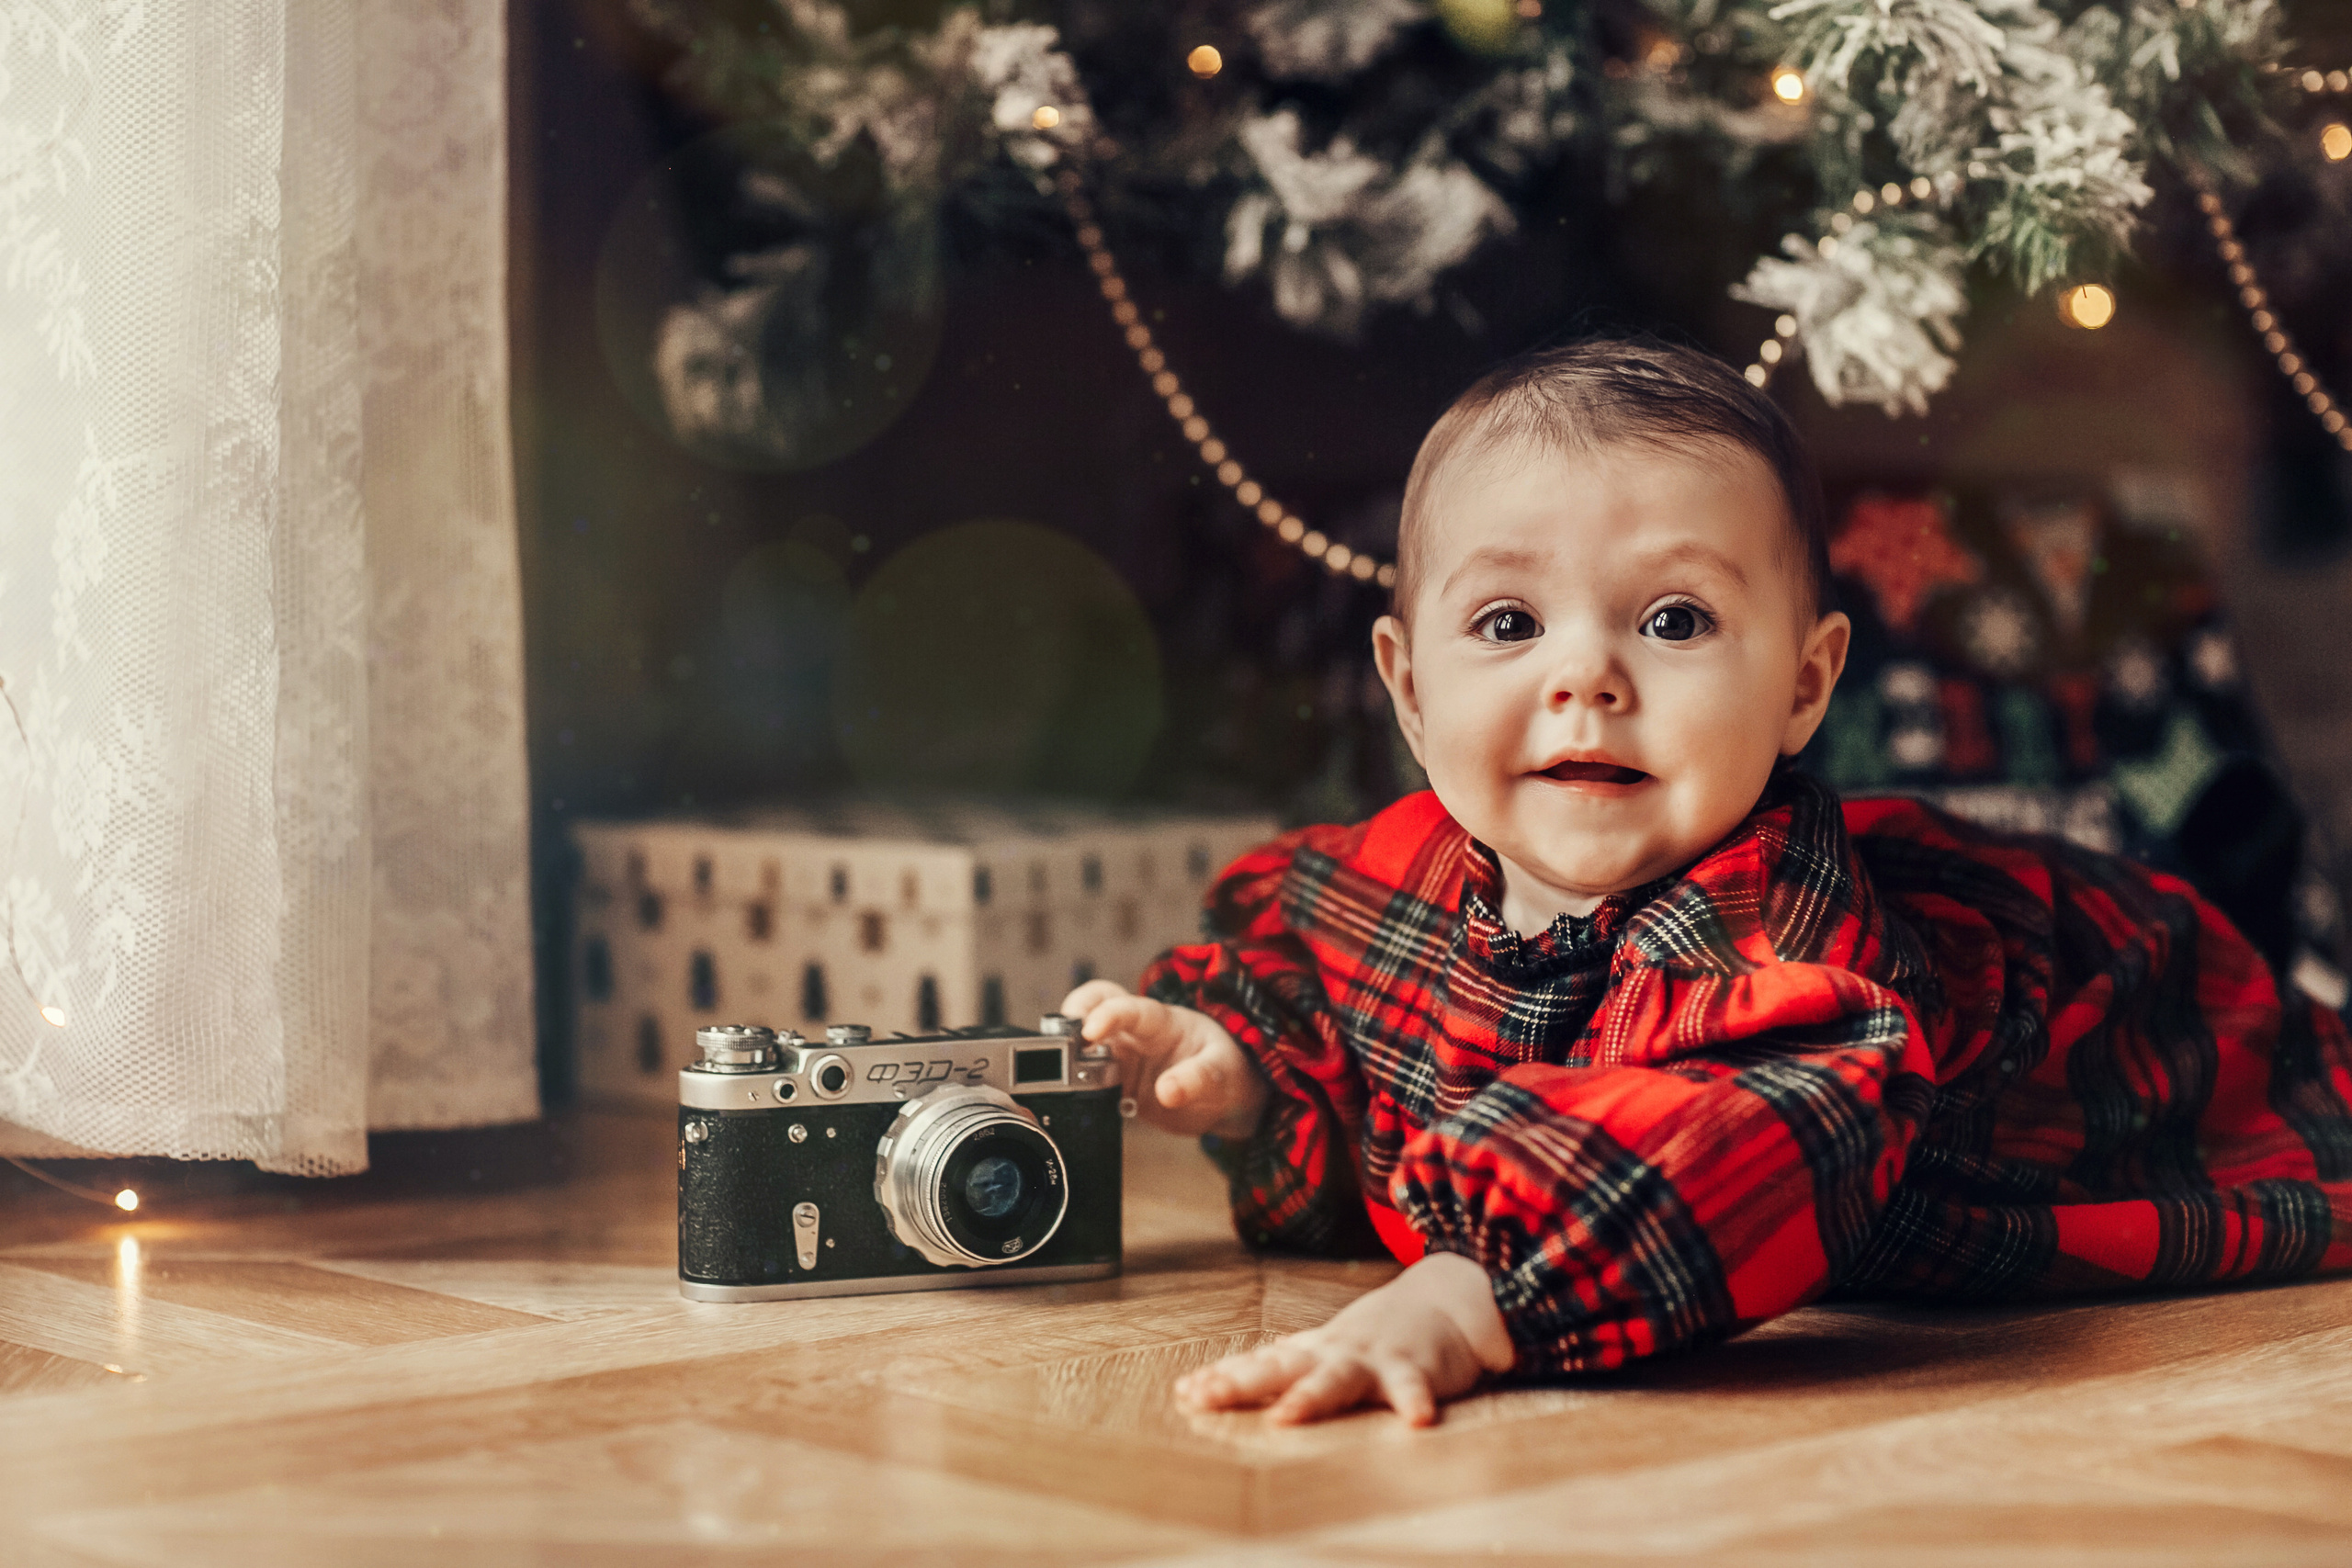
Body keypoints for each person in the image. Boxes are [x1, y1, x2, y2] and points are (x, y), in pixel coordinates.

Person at [1057, 337, 2352, 1427]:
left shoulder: (1784, 928)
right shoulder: (1411, 867)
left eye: (1674, 620)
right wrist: (1244, 1058)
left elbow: (1738, 1131)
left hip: (2152, 1040)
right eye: (1509, 624)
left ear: (1804, 684)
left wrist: (1477, 1292)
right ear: (1408, 684)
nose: (1587, 678)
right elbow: (1324, 966)